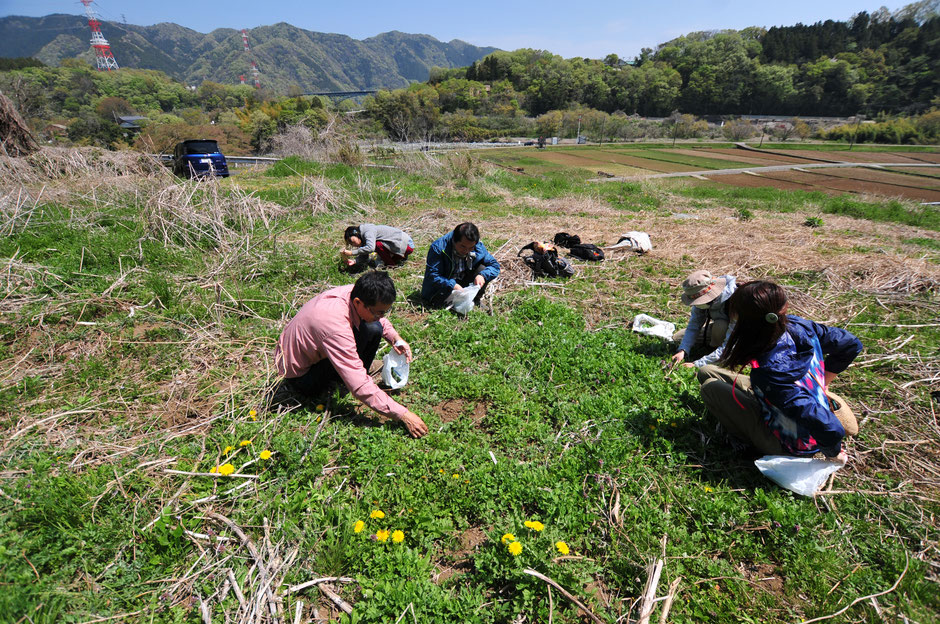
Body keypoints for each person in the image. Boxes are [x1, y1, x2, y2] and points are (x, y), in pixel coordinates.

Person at [697, 280, 861, 464]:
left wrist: (833, 453)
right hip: (780, 397)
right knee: (706, 371)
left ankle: (744, 441)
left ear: (747, 323)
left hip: (787, 442)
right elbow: (851, 344)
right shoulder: (799, 326)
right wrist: (824, 383)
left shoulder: (770, 374)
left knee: (710, 388)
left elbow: (828, 427)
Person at [275, 271, 428, 438]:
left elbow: (379, 320)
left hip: (315, 354)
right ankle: (345, 378)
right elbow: (359, 386)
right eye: (378, 312)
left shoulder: (355, 293)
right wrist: (403, 415)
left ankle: (353, 369)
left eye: (385, 311)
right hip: (301, 377)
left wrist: (395, 338)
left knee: (374, 327)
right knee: (371, 332)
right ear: (358, 302)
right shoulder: (334, 326)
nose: (381, 316)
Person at [421, 222, 501, 308]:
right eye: (462, 246)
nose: (466, 250)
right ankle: (446, 301)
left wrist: (482, 275)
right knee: (444, 304)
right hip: (445, 286)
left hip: (462, 281)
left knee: (482, 269)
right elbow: (432, 275)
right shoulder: (439, 247)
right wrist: (452, 285)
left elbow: (495, 266)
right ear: (454, 240)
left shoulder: (477, 246)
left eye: (470, 248)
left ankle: (475, 299)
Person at [671, 270, 736, 369]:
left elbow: (729, 344)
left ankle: (715, 354)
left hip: (737, 334)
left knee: (720, 325)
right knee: (678, 337)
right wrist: (683, 350)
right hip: (719, 330)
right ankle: (713, 346)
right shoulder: (701, 300)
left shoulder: (734, 302)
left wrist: (697, 364)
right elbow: (694, 325)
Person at [341, 224, 415, 269]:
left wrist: (351, 253)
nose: (354, 245)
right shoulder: (362, 237)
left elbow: (370, 248)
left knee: (377, 245)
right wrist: (355, 261)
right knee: (377, 248)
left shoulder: (368, 232)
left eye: (353, 241)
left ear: (356, 234)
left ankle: (391, 265)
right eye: (351, 244)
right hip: (402, 245)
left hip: (407, 244)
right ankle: (399, 257)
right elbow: (364, 253)